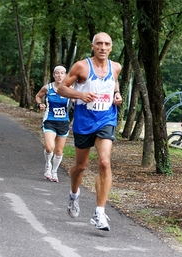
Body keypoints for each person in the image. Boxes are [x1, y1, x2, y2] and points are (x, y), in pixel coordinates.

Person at [57, 32, 123, 231]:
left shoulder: (116, 67)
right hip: (84, 122)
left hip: (106, 119)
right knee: (81, 166)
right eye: (99, 44)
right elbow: (61, 88)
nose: (103, 47)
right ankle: (73, 195)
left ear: (111, 47)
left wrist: (117, 94)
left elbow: (114, 83)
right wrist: (80, 94)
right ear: (93, 46)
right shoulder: (82, 66)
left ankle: (99, 213)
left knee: (104, 162)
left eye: (107, 44)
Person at [35, 64, 72, 182]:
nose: (59, 75)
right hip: (49, 120)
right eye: (57, 73)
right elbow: (38, 96)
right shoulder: (48, 87)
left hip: (63, 122)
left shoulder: (69, 89)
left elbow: (76, 101)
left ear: (65, 75)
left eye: (62, 73)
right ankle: (48, 165)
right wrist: (39, 104)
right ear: (53, 75)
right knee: (49, 147)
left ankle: (54, 171)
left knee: (59, 151)